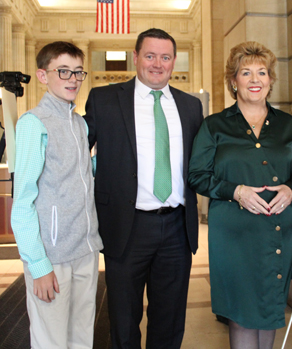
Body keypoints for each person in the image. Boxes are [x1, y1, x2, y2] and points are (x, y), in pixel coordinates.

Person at [84, 28, 203, 348]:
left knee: (170, 318)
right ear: (135, 58)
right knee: (123, 318)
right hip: (126, 226)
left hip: (177, 228)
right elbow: (77, 150)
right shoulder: (104, 99)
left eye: (165, 57)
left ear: (174, 61)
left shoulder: (191, 107)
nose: (157, 64)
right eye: (150, 55)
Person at [188, 41, 292, 349]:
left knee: (270, 308)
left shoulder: (288, 125)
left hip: (279, 232)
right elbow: (197, 176)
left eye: (262, 72)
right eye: (246, 72)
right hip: (233, 235)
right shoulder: (214, 125)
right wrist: (236, 191)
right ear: (233, 81)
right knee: (241, 314)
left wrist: (291, 189)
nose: (255, 79)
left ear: (270, 80)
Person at [10, 41, 103, 348]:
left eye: (78, 72)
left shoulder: (78, 122)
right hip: (52, 256)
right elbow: (22, 202)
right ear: (42, 75)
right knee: (50, 341)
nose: (72, 79)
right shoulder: (33, 124)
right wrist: (38, 265)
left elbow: (78, 175)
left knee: (81, 338)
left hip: (85, 250)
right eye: (63, 71)